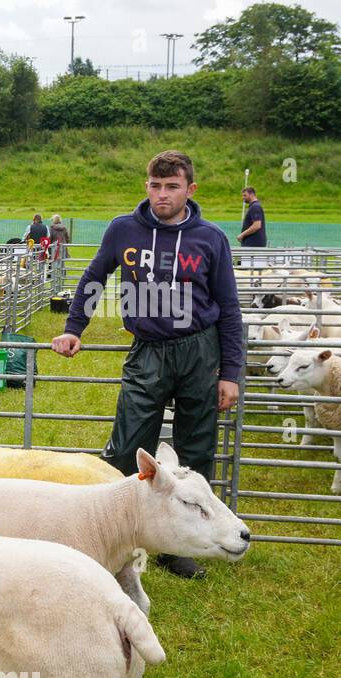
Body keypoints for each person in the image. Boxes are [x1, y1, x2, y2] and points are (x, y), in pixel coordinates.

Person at [51, 149, 244, 579]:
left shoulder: (210, 238)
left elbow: (229, 308)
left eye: (172, 187)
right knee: (127, 445)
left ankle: (180, 547)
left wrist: (229, 372)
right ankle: (115, 537)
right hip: (148, 349)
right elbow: (94, 277)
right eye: (155, 186)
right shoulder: (124, 230)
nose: (162, 194)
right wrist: (74, 328)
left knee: (196, 447)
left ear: (190, 190)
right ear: (146, 187)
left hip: (199, 349)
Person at [237, 186, 268, 268]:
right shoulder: (254, 206)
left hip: (253, 244)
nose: (243, 198)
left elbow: (257, 225)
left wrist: (242, 235)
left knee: (250, 269)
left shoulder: (255, 207)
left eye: (245, 195)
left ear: (251, 194)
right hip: (253, 243)